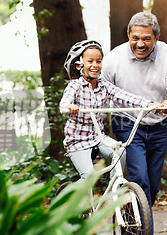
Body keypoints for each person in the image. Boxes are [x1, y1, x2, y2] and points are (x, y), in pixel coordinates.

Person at [101, 12, 167, 208]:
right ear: (128, 34)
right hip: (126, 122)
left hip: (158, 124)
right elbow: (101, 92)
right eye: (135, 38)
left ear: (157, 37)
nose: (140, 44)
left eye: (147, 39)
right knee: (140, 178)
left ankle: (134, 221)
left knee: (153, 187)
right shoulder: (113, 58)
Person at [59, 39, 160, 181]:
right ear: (78, 66)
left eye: (98, 61)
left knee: (120, 151)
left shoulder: (104, 86)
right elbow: (64, 103)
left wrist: (148, 104)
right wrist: (69, 106)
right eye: (90, 61)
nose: (95, 65)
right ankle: (68, 200)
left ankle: (113, 193)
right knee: (88, 177)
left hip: (98, 138)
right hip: (78, 141)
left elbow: (124, 96)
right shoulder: (75, 86)